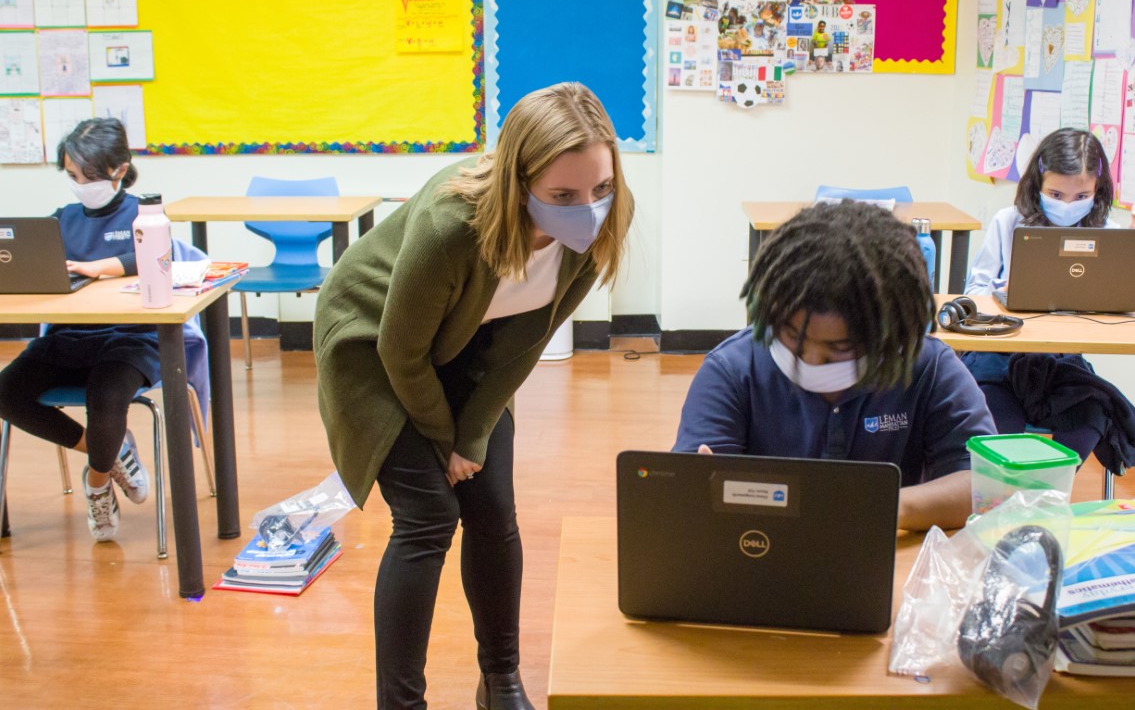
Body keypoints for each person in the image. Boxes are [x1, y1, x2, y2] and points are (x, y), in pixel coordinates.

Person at [314, 82, 634, 710]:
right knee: (430, 515)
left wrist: (474, 436)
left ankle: (501, 680)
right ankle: (401, 703)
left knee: (491, 510)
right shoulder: (451, 225)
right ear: (519, 183)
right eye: (563, 196)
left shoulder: (597, 222)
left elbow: (524, 346)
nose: (588, 209)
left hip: (469, 344)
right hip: (372, 346)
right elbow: (400, 353)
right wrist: (444, 441)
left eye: (599, 189)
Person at [673, 202, 996, 532]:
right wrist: (698, 491)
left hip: (884, 564)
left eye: (839, 349)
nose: (810, 361)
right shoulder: (731, 371)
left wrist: (883, 507)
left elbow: (984, 486)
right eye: (791, 336)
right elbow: (687, 493)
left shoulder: (927, 367)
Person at [963, 128, 1135, 466]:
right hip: (999, 360)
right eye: (1056, 193)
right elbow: (974, 293)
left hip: (1060, 366)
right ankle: (1007, 497)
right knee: (1000, 423)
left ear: (1097, 190)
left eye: (1081, 196)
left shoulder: (1109, 234)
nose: (1068, 205)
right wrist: (1001, 294)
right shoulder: (1008, 222)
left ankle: (1048, 494)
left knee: (1093, 414)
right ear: (1037, 184)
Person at [0, 118, 151, 543]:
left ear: (119, 169)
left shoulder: (144, 213)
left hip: (129, 340)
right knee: (6, 392)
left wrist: (95, 268)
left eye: (87, 176)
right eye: (71, 176)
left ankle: (98, 483)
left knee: (104, 396)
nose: (78, 184)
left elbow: (152, 257)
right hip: (69, 339)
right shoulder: (59, 221)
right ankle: (112, 451)